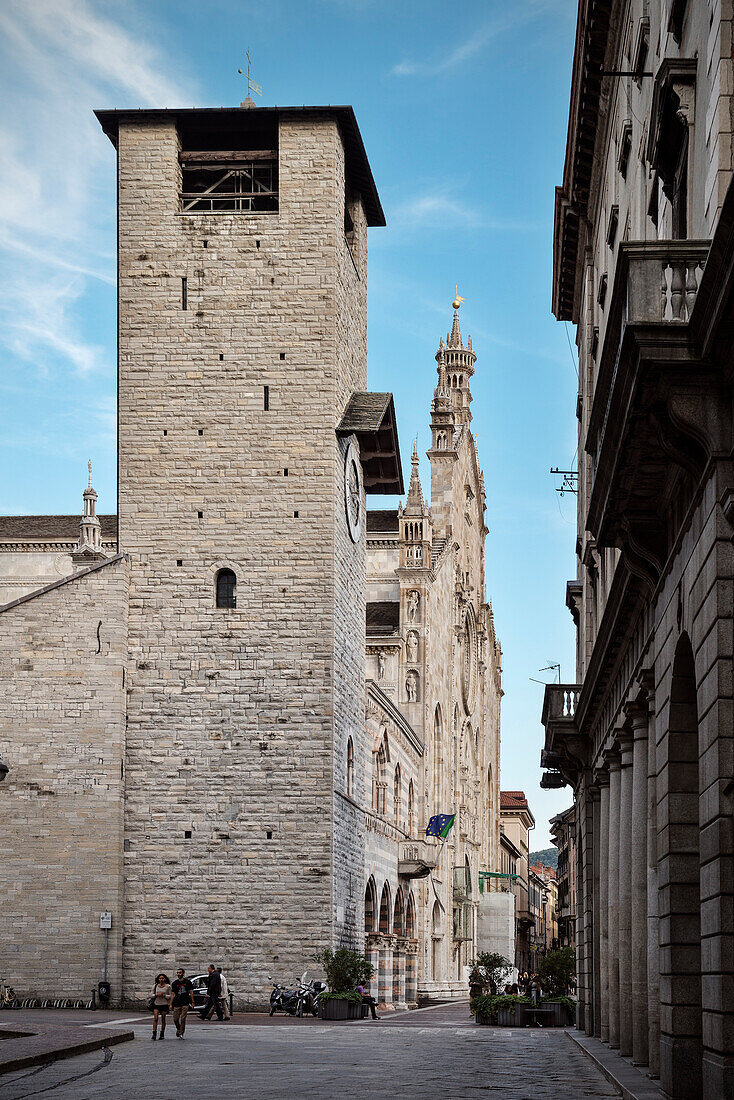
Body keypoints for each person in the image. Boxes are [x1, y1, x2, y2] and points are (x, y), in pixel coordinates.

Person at [170, 967, 194, 1039]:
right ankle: (179, 1028)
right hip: (177, 1002)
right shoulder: (175, 983)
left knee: (183, 1018)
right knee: (175, 1019)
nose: (178, 974)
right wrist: (170, 1004)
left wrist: (192, 1002)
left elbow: (191, 992)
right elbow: (172, 994)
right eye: (177, 973)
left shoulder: (187, 982)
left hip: (185, 1002)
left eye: (180, 973)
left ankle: (181, 1032)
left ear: (183, 974)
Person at [151, 973, 172, 1040]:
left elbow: (171, 996)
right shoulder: (155, 986)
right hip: (157, 1004)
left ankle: (162, 1033)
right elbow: (151, 994)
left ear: (165, 979)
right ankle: (154, 1033)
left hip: (164, 1004)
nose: (161, 979)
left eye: (162, 978)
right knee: (156, 1018)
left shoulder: (168, 986)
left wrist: (164, 995)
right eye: (160, 978)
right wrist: (156, 995)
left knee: (163, 1019)